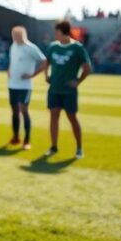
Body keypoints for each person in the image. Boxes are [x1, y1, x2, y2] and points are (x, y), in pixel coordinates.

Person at [43, 20, 92, 159]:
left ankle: (79, 148)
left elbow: (87, 68)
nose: (55, 34)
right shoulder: (52, 47)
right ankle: (53, 147)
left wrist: (78, 81)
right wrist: (46, 75)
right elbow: (46, 62)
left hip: (69, 92)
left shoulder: (77, 48)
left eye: (56, 31)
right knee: (53, 117)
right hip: (54, 90)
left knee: (72, 118)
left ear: (62, 31)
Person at [6, 25, 48, 150]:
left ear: (22, 35)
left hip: (25, 86)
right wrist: (9, 69)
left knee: (23, 110)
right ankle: (16, 136)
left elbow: (45, 61)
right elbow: (12, 61)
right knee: (14, 111)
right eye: (13, 35)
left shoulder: (31, 48)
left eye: (16, 35)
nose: (14, 37)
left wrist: (32, 75)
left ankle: (27, 140)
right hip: (12, 84)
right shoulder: (13, 46)